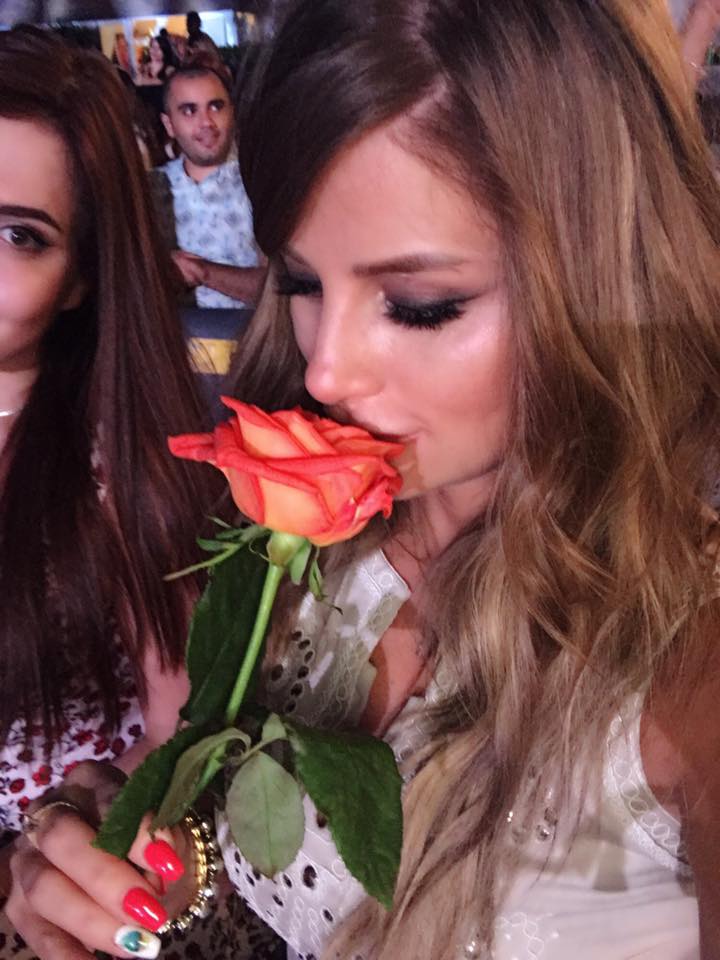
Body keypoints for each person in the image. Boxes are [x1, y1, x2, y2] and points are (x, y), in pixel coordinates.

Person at [8, 0, 720, 958]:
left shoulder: (691, 656)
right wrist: (137, 852)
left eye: (419, 305)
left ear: (606, 277)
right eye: (301, 283)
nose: (326, 373)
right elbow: (250, 883)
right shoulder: (313, 551)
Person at [0, 26, 282, 960]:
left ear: (80, 276)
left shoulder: (106, 468)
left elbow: (178, 737)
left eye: (17, 234)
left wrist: (104, 836)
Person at [151, 66, 266, 309]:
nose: (206, 122)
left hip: (255, 331)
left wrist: (202, 272)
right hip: (175, 331)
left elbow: (277, 288)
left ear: (232, 112)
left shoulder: (260, 182)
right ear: (169, 124)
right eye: (189, 111)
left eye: (215, 107)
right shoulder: (150, 190)